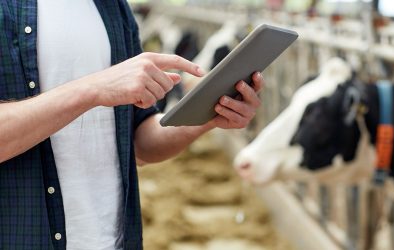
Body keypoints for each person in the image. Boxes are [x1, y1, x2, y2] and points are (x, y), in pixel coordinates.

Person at [0, 1, 264, 250]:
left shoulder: (114, 7)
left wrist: (208, 115)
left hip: (112, 239)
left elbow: (139, 143)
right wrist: (93, 88)